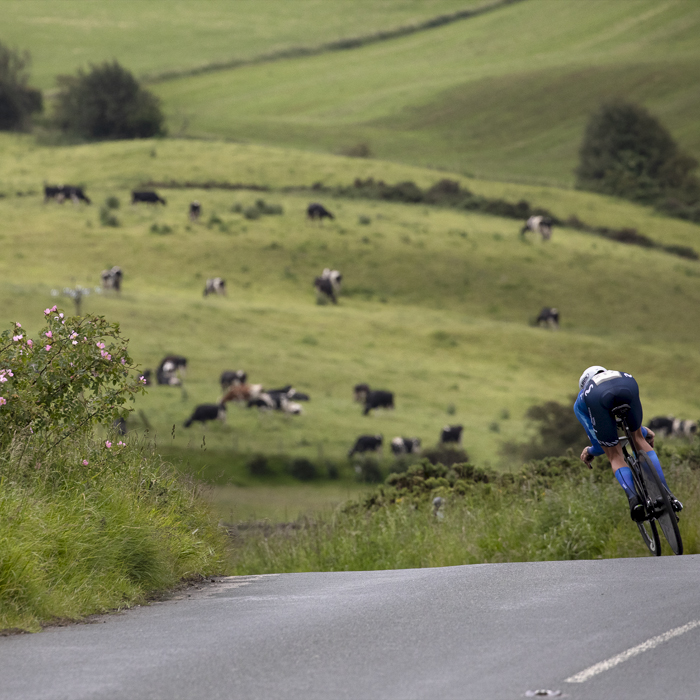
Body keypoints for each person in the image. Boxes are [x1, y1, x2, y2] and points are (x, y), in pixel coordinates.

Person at [574, 366, 682, 521]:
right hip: (627, 383)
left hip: (598, 397)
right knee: (637, 439)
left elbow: (599, 446)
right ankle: (667, 495)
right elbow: (634, 428)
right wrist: (642, 432)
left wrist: (590, 451)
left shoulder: (582, 398)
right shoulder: (616, 373)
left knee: (614, 454)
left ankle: (634, 499)